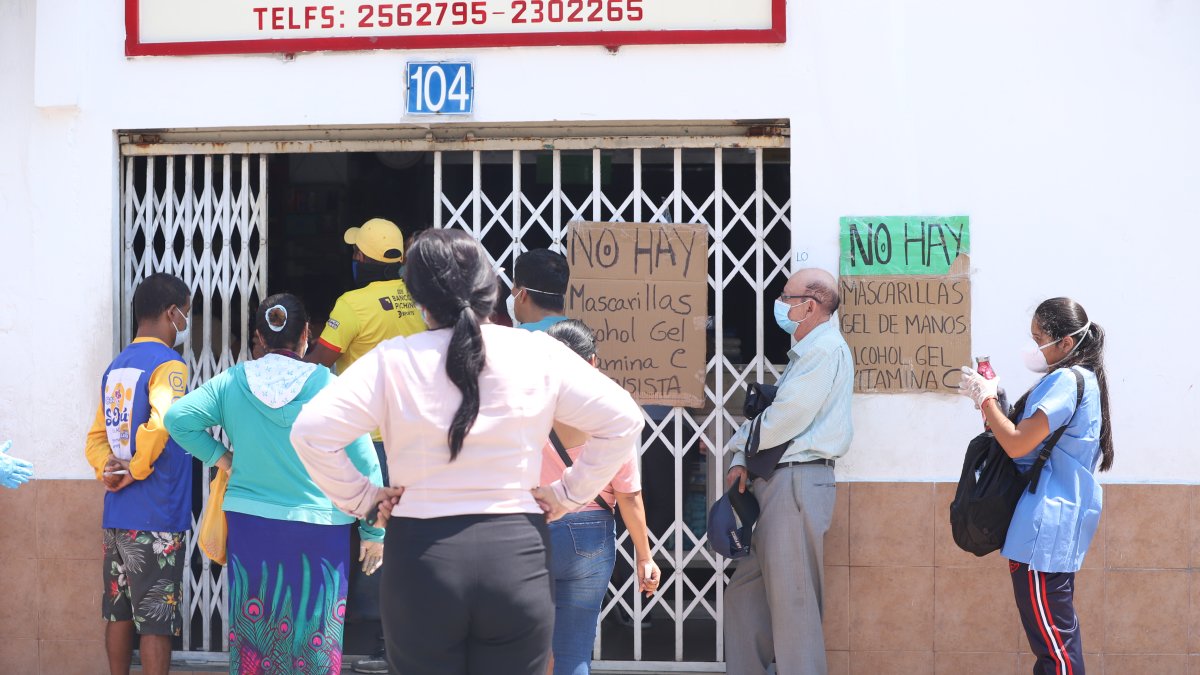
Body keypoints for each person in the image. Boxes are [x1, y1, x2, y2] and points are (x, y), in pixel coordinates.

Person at [290, 229, 644, 675]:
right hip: (516, 554)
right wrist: (568, 494)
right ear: (490, 288)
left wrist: (364, 500)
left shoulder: (393, 359)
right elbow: (624, 420)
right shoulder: (537, 352)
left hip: (422, 557)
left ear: (418, 297)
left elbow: (309, 432)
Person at [164, 293, 386, 675]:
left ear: (259, 338)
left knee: (257, 636)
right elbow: (366, 463)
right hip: (320, 529)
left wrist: (222, 457)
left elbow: (177, 418)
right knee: (316, 634)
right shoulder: (329, 385)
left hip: (252, 526)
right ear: (307, 335)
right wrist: (373, 534)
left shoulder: (232, 381)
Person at [958, 298, 1112, 675]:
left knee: (1055, 650)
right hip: (1047, 529)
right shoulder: (1081, 380)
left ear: (1065, 342)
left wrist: (986, 398)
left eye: (1040, 337)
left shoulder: (1066, 380)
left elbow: (1016, 443)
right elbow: (1027, 445)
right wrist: (995, 405)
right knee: (1055, 641)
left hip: (1044, 531)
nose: (1034, 346)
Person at [303, 216, 425, 673]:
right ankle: (399, 640)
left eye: (356, 252)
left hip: (368, 442)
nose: (352, 257)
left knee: (372, 537)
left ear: (362, 258)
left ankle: (377, 644)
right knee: (405, 539)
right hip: (414, 440)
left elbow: (320, 363)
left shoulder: (352, 304)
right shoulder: (419, 300)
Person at [723, 268, 854, 675]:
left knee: (794, 607)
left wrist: (739, 445)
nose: (780, 303)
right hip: (776, 483)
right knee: (745, 598)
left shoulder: (824, 349)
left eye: (786, 296)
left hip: (795, 484)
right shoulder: (808, 352)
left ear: (809, 306)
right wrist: (743, 458)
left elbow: (784, 419)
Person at [83, 272, 194, 675]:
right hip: (157, 514)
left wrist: (106, 471)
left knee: (119, 614)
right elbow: (165, 421)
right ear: (171, 312)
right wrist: (136, 468)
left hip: (117, 515)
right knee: (156, 624)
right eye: (187, 312)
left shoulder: (116, 367)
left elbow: (95, 438)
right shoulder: (169, 365)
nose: (186, 321)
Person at [540, 319, 661, 675]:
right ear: (592, 362)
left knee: (532, 645)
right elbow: (629, 494)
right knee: (575, 648)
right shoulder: (611, 411)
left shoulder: (528, 405)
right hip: (592, 534)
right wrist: (644, 557)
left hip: (536, 528)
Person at [509, 248, 570, 331]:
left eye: (514, 286)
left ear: (523, 294)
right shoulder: (579, 335)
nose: (512, 292)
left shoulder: (515, 339)